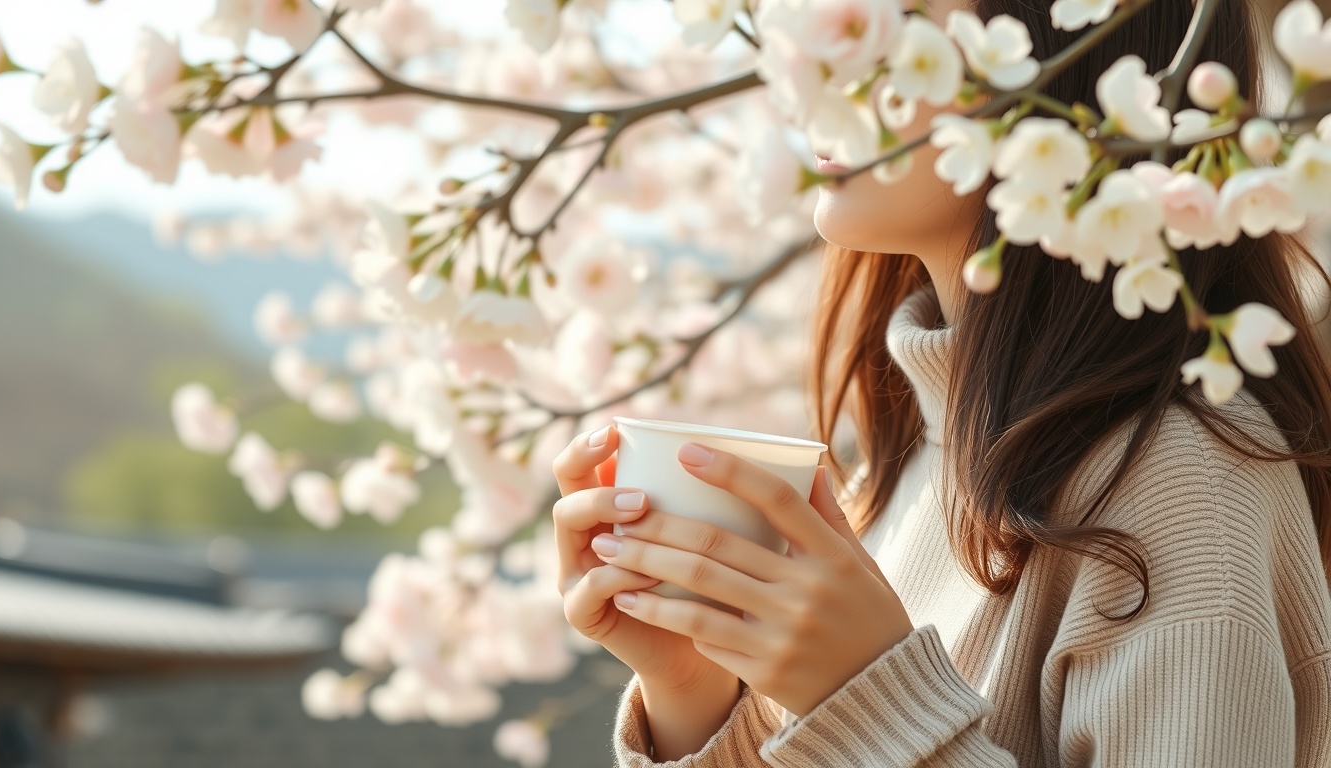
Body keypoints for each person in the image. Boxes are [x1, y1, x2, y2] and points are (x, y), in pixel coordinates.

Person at [550, 0, 1331, 763]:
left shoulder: (1184, 485)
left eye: (898, 19)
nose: (828, 64)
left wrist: (869, 702)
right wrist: (697, 698)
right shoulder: (903, 468)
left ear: (1055, 50)